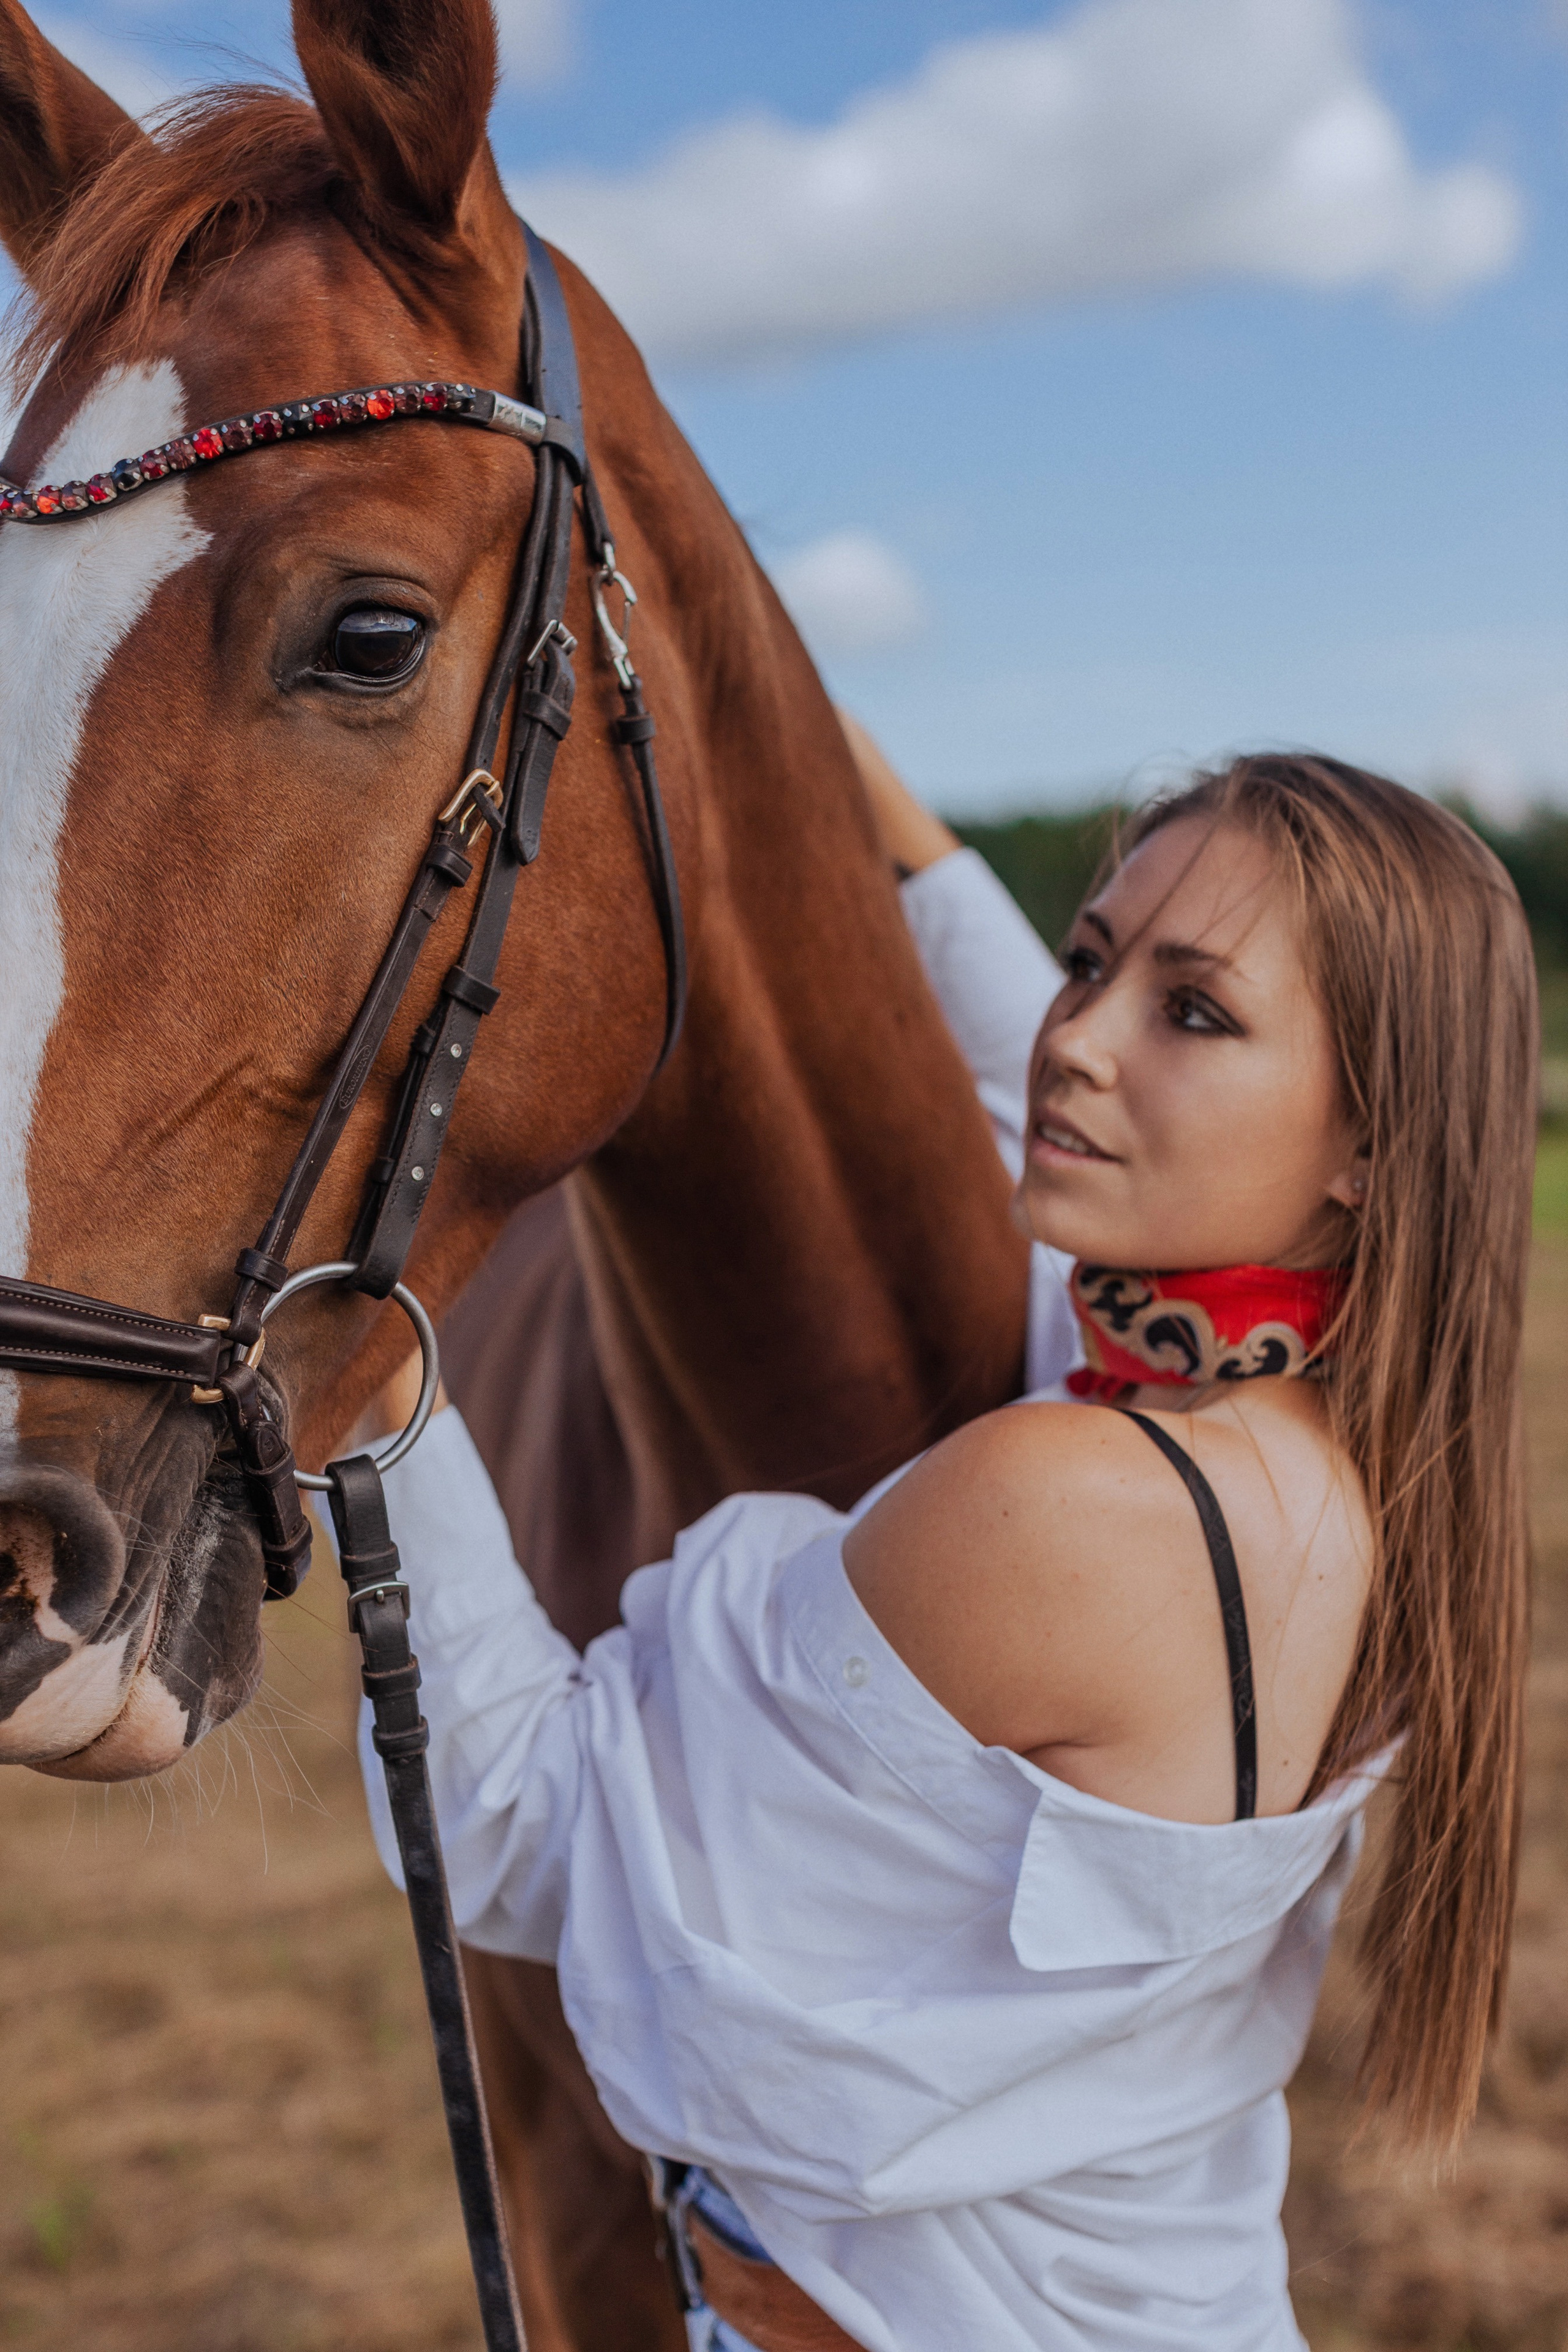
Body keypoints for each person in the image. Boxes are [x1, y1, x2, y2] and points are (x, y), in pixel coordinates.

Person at [354, 742, 1536, 2352]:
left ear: (1368, 1149)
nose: (1078, 1046)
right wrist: (834, 762)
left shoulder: (1068, 1501)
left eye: (1192, 1011)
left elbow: (512, 1827)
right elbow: (1011, 1058)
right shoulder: (1359, 1450)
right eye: (1089, 962)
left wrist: (378, 1387)